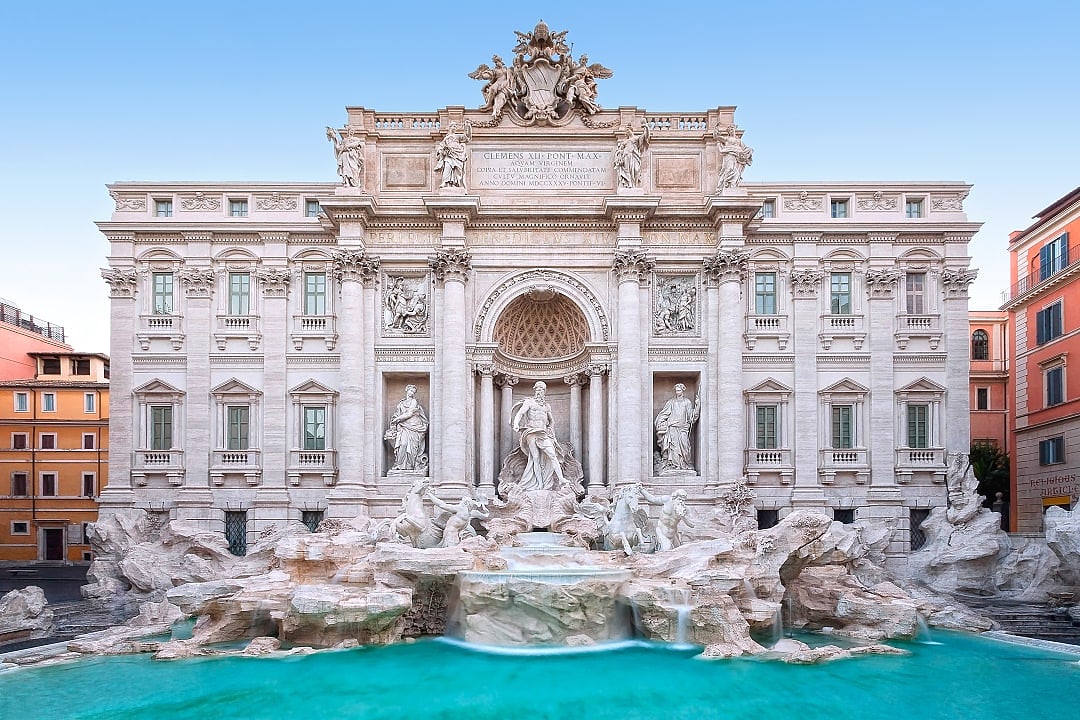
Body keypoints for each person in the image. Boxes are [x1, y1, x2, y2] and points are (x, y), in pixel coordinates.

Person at [512, 381, 567, 490]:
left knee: (552, 455)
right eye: (537, 389)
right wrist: (516, 423)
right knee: (535, 458)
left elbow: (551, 421)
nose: (539, 391)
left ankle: (561, 479)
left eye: (541, 389)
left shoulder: (547, 406)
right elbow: (520, 413)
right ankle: (540, 484)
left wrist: (550, 430)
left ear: (544, 392)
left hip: (543, 433)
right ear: (534, 390)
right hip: (531, 432)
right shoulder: (529, 402)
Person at [654, 383, 700, 472]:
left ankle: (685, 465)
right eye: (676, 390)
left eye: (679, 390)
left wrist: (697, 406)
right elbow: (663, 414)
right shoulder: (671, 402)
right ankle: (673, 466)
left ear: (683, 391)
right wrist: (661, 423)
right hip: (672, 428)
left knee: (685, 447)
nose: (677, 392)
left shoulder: (687, 402)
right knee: (673, 448)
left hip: (683, 428)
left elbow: (691, 417)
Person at [385, 385, 428, 471]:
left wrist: (397, 419)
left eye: (413, 392)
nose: (412, 393)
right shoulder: (401, 403)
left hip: (413, 426)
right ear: (407, 390)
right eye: (410, 391)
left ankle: (410, 467)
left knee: (412, 448)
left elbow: (409, 414)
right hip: (403, 427)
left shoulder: (414, 401)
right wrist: (395, 420)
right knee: (403, 444)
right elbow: (397, 414)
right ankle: (400, 465)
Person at [714, 125, 753, 192]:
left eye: (732, 129)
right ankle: (726, 184)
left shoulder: (739, 141)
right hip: (729, 154)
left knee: (736, 171)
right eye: (730, 130)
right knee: (729, 168)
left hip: (738, 156)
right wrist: (716, 130)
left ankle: (732, 185)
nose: (731, 131)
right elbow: (716, 136)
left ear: (735, 130)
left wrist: (749, 151)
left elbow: (744, 149)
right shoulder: (727, 139)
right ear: (728, 132)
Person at [435, 121, 471, 190]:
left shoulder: (457, 136)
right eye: (453, 126)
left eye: (455, 127)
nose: (454, 128)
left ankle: (456, 183)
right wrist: (441, 151)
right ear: (450, 127)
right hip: (449, 154)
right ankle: (445, 182)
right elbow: (440, 146)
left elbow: (467, 137)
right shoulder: (446, 138)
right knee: (447, 167)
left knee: (457, 169)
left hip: (458, 154)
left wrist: (468, 127)